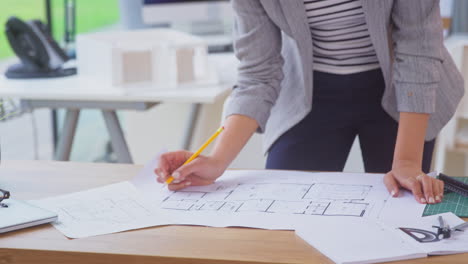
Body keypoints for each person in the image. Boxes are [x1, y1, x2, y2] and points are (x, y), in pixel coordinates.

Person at [155, 0, 464, 205]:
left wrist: (407, 162)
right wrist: (216, 161)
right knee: (286, 211)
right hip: (308, 90)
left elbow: (418, 48)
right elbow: (257, 74)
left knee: (401, 207)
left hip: (402, 86)